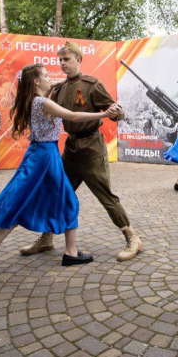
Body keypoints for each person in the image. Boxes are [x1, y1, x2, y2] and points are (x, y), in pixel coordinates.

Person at [0, 64, 116, 274]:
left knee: (22, 202)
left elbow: (46, 96)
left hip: (39, 153)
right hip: (46, 156)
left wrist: (55, 84)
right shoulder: (43, 102)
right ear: (36, 82)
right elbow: (73, 116)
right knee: (66, 201)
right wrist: (104, 115)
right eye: (47, 76)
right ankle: (70, 252)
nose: (52, 77)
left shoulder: (33, 100)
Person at [19, 41, 143, 262]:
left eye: (67, 59)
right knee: (58, 192)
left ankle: (133, 238)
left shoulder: (92, 84)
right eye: (60, 60)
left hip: (92, 149)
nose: (63, 64)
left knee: (105, 196)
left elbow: (116, 111)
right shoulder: (58, 88)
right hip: (71, 150)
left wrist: (115, 112)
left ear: (78, 60)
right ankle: (47, 238)